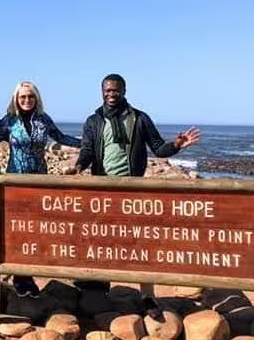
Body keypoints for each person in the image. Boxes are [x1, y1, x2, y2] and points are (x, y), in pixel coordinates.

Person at [73, 73, 200, 301]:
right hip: (102, 189)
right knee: (99, 237)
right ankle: (97, 285)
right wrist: (79, 166)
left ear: (124, 91)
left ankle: (147, 295)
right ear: (102, 91)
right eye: (108, 90)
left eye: (116, 90)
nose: (112, 94)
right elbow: (88, 150)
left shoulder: (140, 119)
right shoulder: (94, 121)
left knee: (141, 241)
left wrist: (177, 145)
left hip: (132, 189)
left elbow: (159, 148)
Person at [0, 81, 81, 297]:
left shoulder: (43, 119)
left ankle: (26, 273)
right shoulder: (9, 121)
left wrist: (88, 143)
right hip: (15, 182)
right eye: (22, 97)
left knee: (35, 230)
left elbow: (61, 138)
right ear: (16, 99)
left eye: (30, 96)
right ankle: (22, 278)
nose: (27, 100)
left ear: (36, 98)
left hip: (39, 180)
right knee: (16, 230)